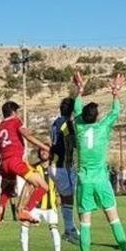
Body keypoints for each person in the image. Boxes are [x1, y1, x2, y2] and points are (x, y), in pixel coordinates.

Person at [72, 71, 126, 251]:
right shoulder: (103, 127)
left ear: (83, 117)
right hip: (101, 180)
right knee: (114, 219)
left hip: (84, 181)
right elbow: (116, 110)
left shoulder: (79, 127)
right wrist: (115, 92)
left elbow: (76, 108)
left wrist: (80, 90)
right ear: (97, 117)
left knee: (85, 224)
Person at [0, 100, 51, 226]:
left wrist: (4, 148)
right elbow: (27, 136)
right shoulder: (16, 121)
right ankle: (25, 210)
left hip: (4, 163)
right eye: (17, 112)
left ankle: (0, 208)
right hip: (16, 161)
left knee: (8, 189)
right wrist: (45, 147)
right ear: (13, 112)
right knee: (43, 186)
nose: (18, 114)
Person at [20, 148, 63, 251]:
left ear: (50, 153)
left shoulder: (55, 168)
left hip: (50, 206)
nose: (44, 152)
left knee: (54, 230)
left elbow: (59, 183)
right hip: (35, 206)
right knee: (24, 227)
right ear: (39, 153)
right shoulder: (34, 168)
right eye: (42, 151)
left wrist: (59, 195)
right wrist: (24, 204)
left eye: (46, 150)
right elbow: (28, 185)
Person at [49, 97, 79, 243]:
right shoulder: (67, 124)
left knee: (66, 198)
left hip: (54, 165)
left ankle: (69, 229)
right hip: (63, 166)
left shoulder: (55, 123)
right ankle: (70, 230)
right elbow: (74, 143)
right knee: (71, 197)